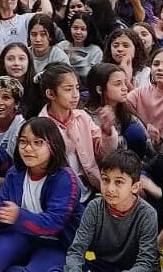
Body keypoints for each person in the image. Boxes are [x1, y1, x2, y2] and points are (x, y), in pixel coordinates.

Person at [0, 117, 83, 272]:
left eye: (37, 142)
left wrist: (19, 216)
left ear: (53, 146)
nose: (28, 148)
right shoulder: (15, 173)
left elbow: (55, 223)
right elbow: (1, 220)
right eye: (23, 142)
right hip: (19, 235)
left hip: (55, 244)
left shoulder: (65, 178)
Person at [63, 149, 160, 272]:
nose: (110, 188)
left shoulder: (147, 214)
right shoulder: (94, 207)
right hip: (103, 266)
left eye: (118, 182)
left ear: (135, 187)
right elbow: (76, 250)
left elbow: (146, 262)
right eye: (105, 179)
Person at [38, 63, 117, 198]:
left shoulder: (82, 117)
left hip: (90, 188)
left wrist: (107, 130)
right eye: (68, 89)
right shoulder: (40, 126)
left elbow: (104, 152)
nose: (76, 95)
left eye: (77, 88)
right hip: (61, 193)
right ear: (51, 94)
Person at [55, 12, 103, 86]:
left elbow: (94, 77)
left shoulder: (95, 51)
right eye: (75, 28)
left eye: (83, 29)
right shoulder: (61, 46)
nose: (78, 32)